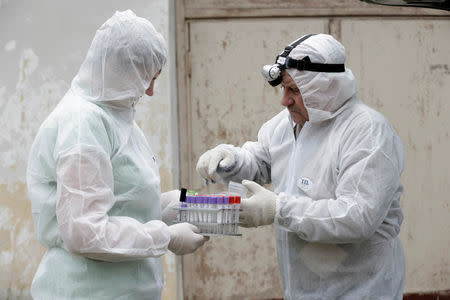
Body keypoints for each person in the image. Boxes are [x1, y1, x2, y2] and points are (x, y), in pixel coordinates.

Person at [196, 33, 405, 299]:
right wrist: (230, 161)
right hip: (302, 290)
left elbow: (357, 217)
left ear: (325, 88)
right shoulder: (288, 123)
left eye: (294, 90)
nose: (284, 100)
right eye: (284, 89)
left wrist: (278, 209)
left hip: (362, 290)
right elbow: (260, 162)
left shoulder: (367, 132)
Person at [26, 10, 208, 300]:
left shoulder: (114, 115)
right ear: (121, 69)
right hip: (89, 290)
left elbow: (117, 201)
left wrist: (168, 204)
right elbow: (86, 231)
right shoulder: (83, 124)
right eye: (148, 78)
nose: (149, 91)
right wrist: (166, 236)